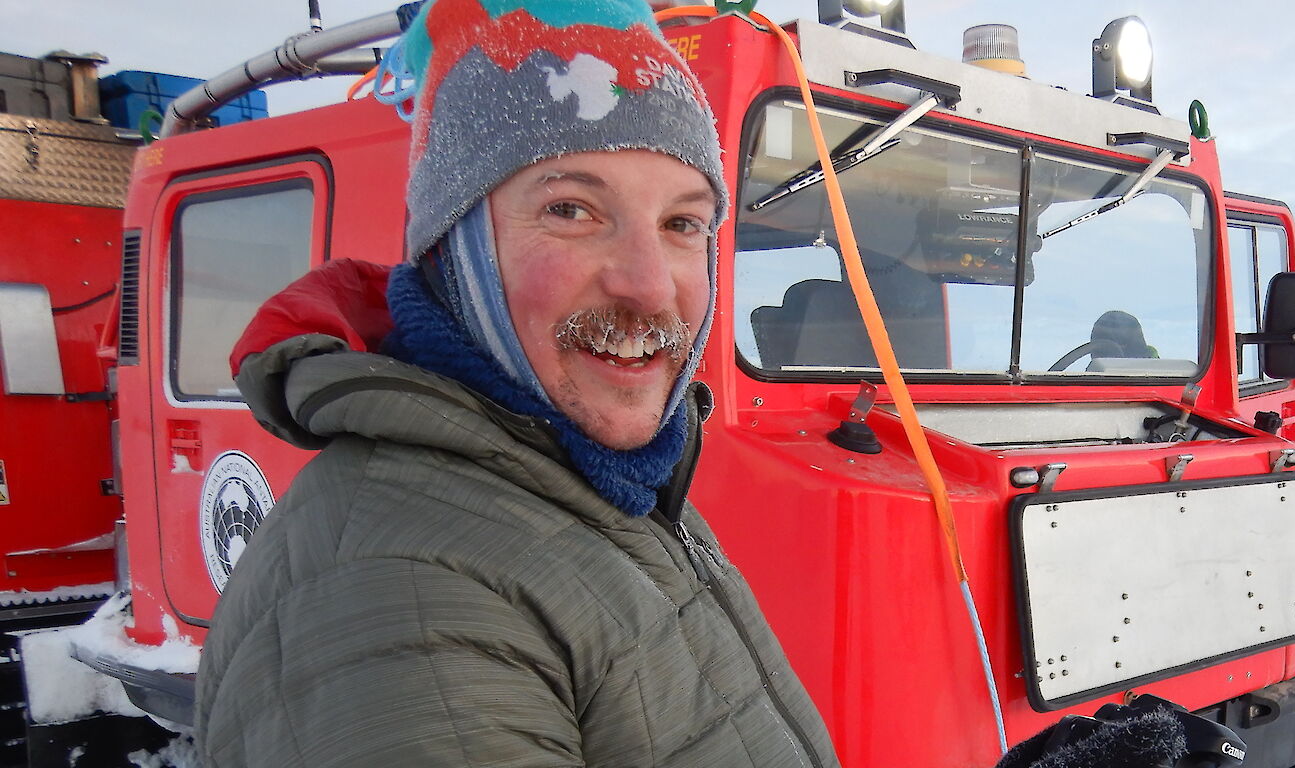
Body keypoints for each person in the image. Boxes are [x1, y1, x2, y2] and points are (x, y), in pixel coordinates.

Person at [193, 1, 838, 765]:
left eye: (683, 224)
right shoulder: (398, 594)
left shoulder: (599, 480)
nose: (650, 286)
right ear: (453, 251)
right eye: (572, 210)